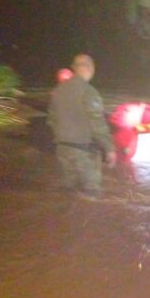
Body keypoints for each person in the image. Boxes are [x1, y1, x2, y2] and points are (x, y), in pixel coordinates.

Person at [47, 54, 117, 197]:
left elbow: (51, 120)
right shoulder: (89, 92)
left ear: (74, 68)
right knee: (92, 195)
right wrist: (110, 148)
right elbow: (98, 123)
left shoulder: (58, 91)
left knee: (68, 193)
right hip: (84, 152)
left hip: (62, 150)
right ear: (89, 68)